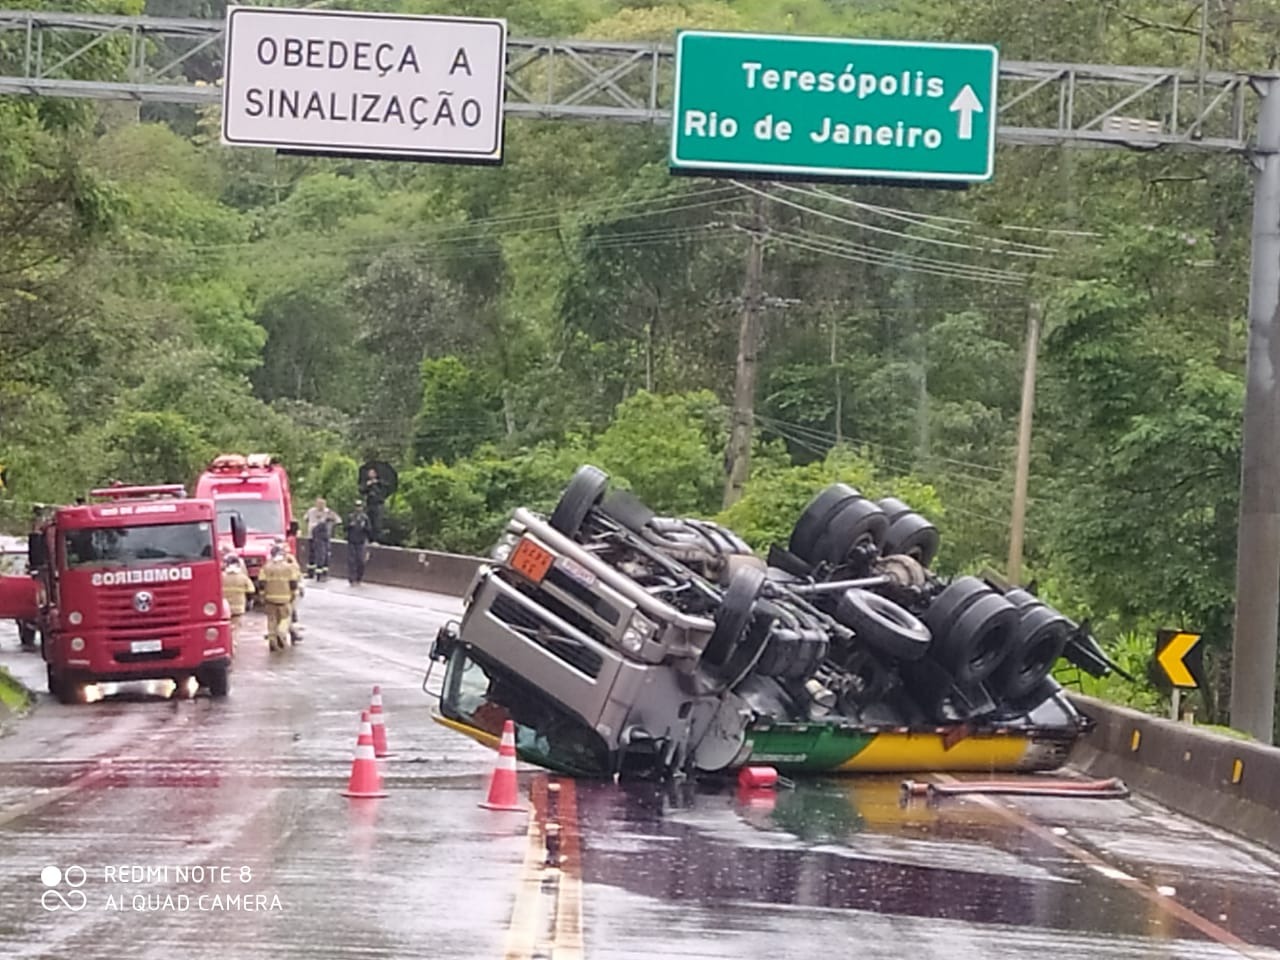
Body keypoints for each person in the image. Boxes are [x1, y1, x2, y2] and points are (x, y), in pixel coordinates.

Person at [259, 545, 297, 651]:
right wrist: (293, 594)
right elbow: (293, 583)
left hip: (270, 598)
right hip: (284, 598)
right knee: (285, 618)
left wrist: (262, 595)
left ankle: (272, 640)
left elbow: (261, 583)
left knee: (271, 620)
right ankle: (281, 633)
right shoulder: (288, 567)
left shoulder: (266, 567)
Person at [304, 497, 340, 580]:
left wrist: (330, 521)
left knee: (324, 555)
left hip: (323, 537)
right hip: (312, 536)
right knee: (311, 555)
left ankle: (323, 574)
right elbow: (305, 518)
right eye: (318, 504)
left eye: (322, 504)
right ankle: (310, 573)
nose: (320, 506)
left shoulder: (328, 512)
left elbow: (338, 521)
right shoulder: (311, 511)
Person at [221, 553, 255, 637]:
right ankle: (233, 645)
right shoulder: (243, 578)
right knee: (235, 630)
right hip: (238, 608)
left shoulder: (221, 577)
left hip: (224, 608)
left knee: (225, 630)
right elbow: (251, 591)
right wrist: (249, 603)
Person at [344, 500, 372, 586]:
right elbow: (345, 528)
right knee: (351, 561)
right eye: (357, 506)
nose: (358, 508)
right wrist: (350, 525)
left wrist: (364, 528)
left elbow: (370, 530)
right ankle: (351, 579)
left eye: (359, 506)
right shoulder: (350, 517)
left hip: (361, 542)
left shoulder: (365, 518)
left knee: (361, 560)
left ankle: (359, 578)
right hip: (351, 541)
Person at [361, 469, 387, 545]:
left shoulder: (380, 483)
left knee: (377, 522)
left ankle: (376, 540)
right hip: (369, 504)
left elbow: (385, 487)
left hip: (378, 504)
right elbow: (362, 490)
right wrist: (368, 485)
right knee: (368, 521)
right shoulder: (367, 483)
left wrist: (376, 483)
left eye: (372, 473)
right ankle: (368, 538)